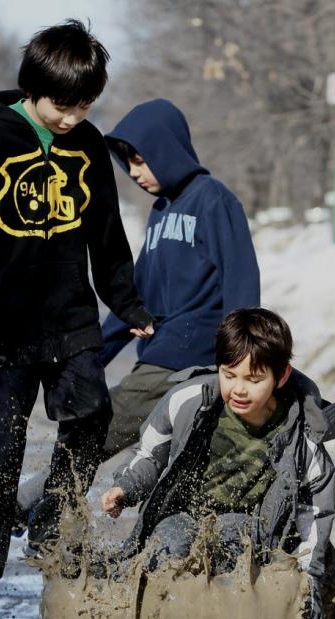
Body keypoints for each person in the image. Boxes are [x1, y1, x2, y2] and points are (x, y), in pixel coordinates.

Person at [0, 20, 153, 619]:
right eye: (61, 106)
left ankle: (51, 533)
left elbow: (105, 232)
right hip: (0, 324)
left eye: (84, 106)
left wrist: (127, 304)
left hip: (68, 315)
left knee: (89, 419)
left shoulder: (88, 145)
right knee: (2, 442)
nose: (71, 119)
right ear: (33, 89)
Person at [101, 308, 335, 619]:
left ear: (282, 376)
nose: (240, 389)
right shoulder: (189, 401)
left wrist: (310, 583)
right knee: (168, 542)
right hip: (183, 514)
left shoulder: (304, 437)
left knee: (248, 540)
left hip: (257, 529)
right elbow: (149, 455)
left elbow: (316, 513)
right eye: (229, 375)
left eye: (254, 380)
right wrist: (125, 487)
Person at [100, 99, 260, 457]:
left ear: (165, 149)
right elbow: (137, 297)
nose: (133, 171)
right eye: (127, 162)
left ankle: (19, 504)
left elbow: (241, 282)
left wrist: (240, 363)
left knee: (95, 428)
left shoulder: (213, 199)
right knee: (146, 456)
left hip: (190, 352)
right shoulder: (160, 211)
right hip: (161, 351)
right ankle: (42, 505)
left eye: (139, 159)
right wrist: (92, 355)